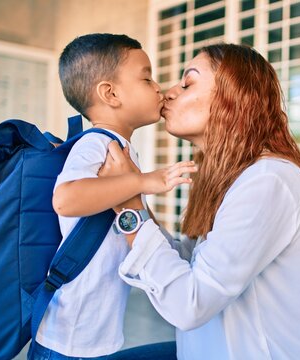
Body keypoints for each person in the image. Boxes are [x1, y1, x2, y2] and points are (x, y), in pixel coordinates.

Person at [100, 43, 300, 359]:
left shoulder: (267, 181)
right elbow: (187, 263)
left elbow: (189, 303)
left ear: (233, 98)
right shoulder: (224, 178)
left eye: (187, 83)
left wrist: (129, 211)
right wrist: (132, 195)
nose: (169, 92)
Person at [30, 33, 196, 359]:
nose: (158, 87)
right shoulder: (95, 144)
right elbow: (66, 199)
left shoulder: (121, 148)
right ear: (110, 93)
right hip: (69, 336)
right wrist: (144, 181)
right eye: (147, 78)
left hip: (93, 334)